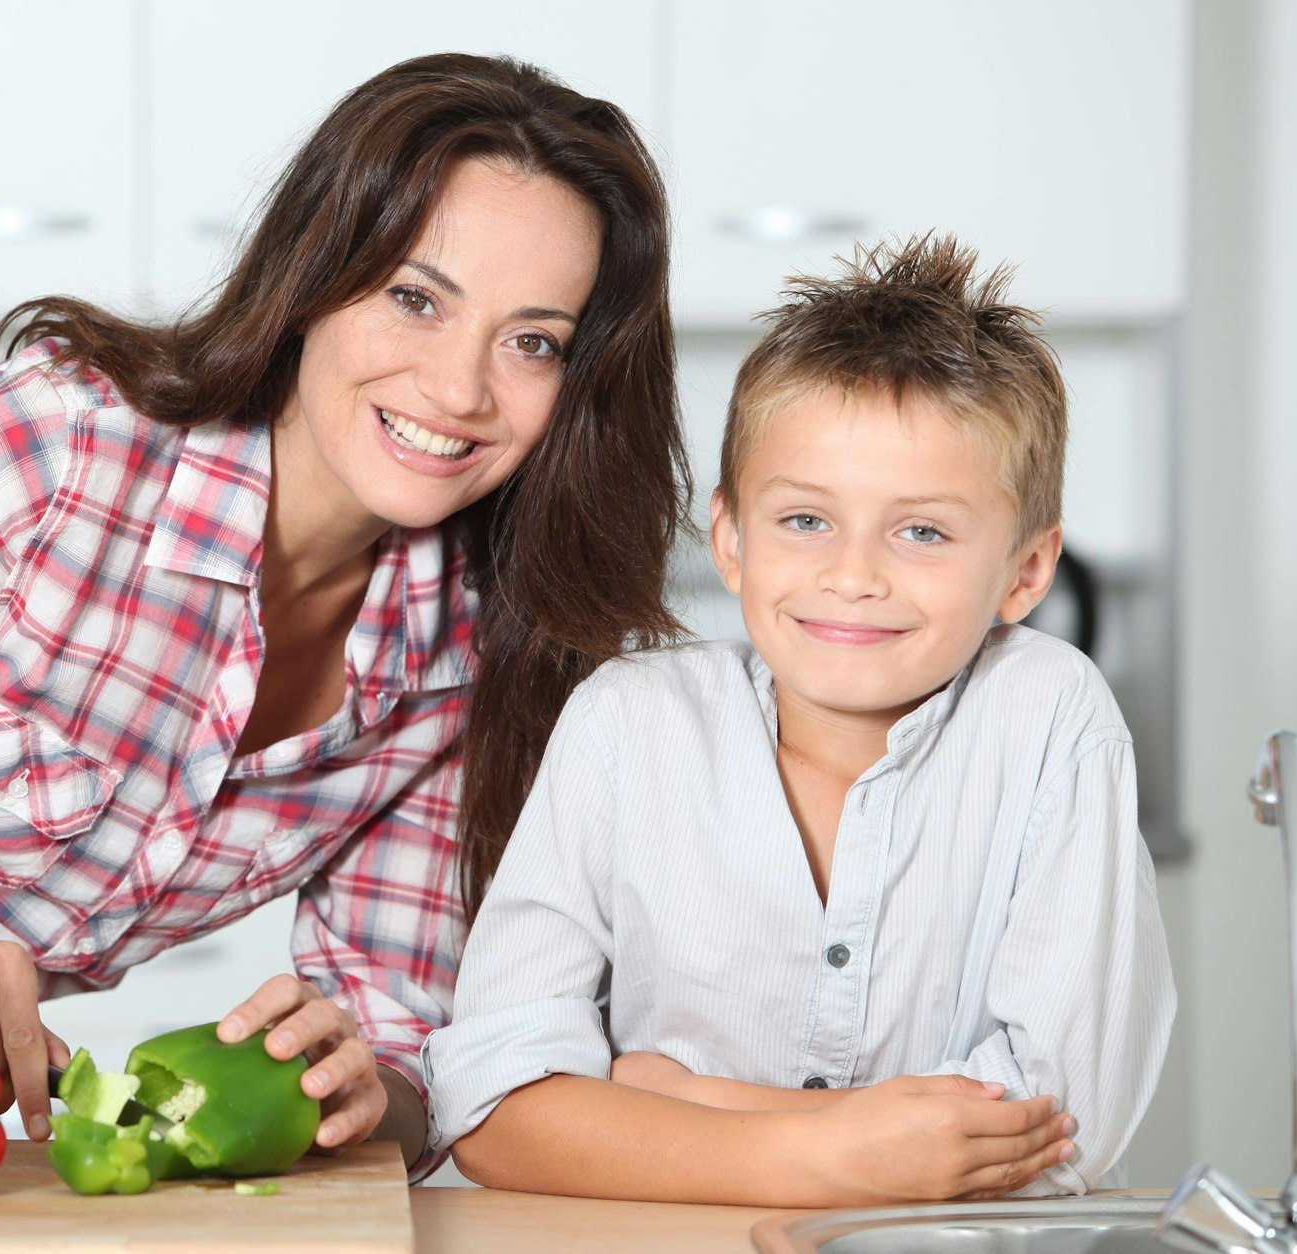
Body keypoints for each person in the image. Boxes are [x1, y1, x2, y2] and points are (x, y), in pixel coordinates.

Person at [0, 53, 688, 1179]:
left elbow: (400, 1045)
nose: (460, 390)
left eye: (532, 340)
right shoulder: (27, 464)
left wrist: (352, 1089)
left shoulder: (470, 654)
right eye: (414, 298)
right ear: (310, 276)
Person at [423, 234, 1176, 1204]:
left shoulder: (1047, 717)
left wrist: (696, 1101)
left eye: (921, 532)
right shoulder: (629, 722)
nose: (852, 576)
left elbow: (1055, 1130)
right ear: (730, 541)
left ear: (1025, 571)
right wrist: (828, 1152)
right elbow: (491, 1102)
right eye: (805, 521)